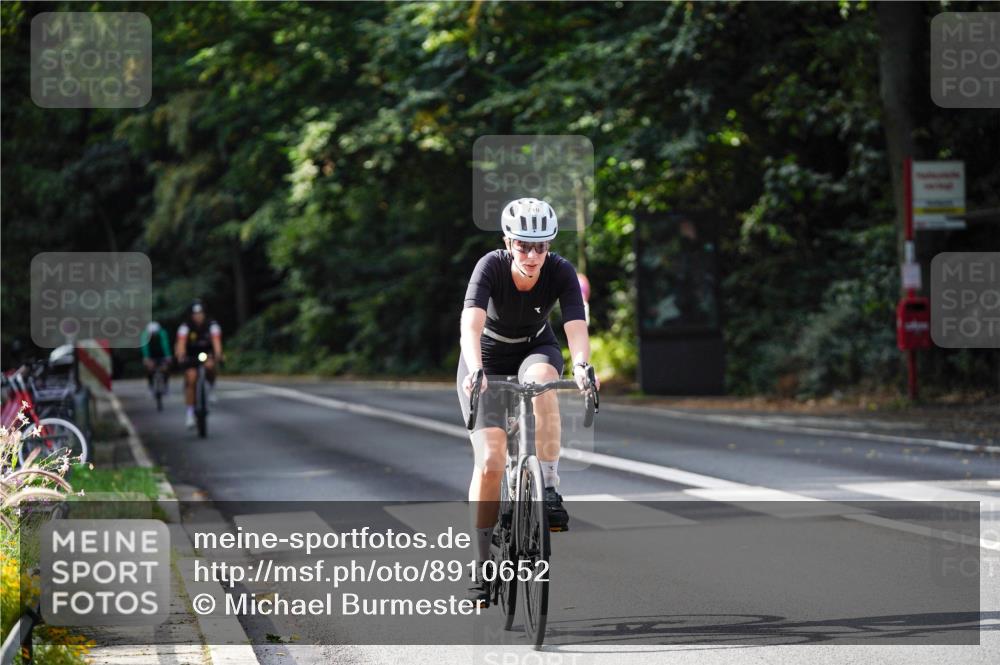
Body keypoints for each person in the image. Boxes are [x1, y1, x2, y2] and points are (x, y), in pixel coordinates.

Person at [457, 197, 599, 606]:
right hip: (485, 357)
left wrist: (584, 365)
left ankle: (549, 487)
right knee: (490, 461)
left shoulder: (560, 270)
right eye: (523, 245)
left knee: (543, 383)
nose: (533, 255)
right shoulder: (490, 266)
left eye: (541, 246)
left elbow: (574, 322)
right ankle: (483, 566)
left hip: (535, 349)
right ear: (508, 241)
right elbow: (471, 322)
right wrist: (475, 369)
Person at [174, 300, 223, 429]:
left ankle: (211, 388)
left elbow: (216, 342)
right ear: (191, 315)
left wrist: (218, 354)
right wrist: (181, 355)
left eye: (200, 313)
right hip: (191, 356)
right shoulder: (185, 327)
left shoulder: (212, 325)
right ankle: (190, 413)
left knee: (210, 366)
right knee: (191, 378)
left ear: (204, 314)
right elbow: (181, 343)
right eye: (195, 314)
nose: (198, 316)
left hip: (207, 354)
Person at [140, 321, 172, 396]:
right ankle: (151, 386)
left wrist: (168, 356)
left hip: (161, 354)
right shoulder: (145, 335)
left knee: (166, 369)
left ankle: (166, 385)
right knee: (149, 369)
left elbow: (165, 345)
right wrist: (146, 358)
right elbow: (145, 348)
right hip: (151, 355)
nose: (153, 335)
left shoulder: (162, 334)